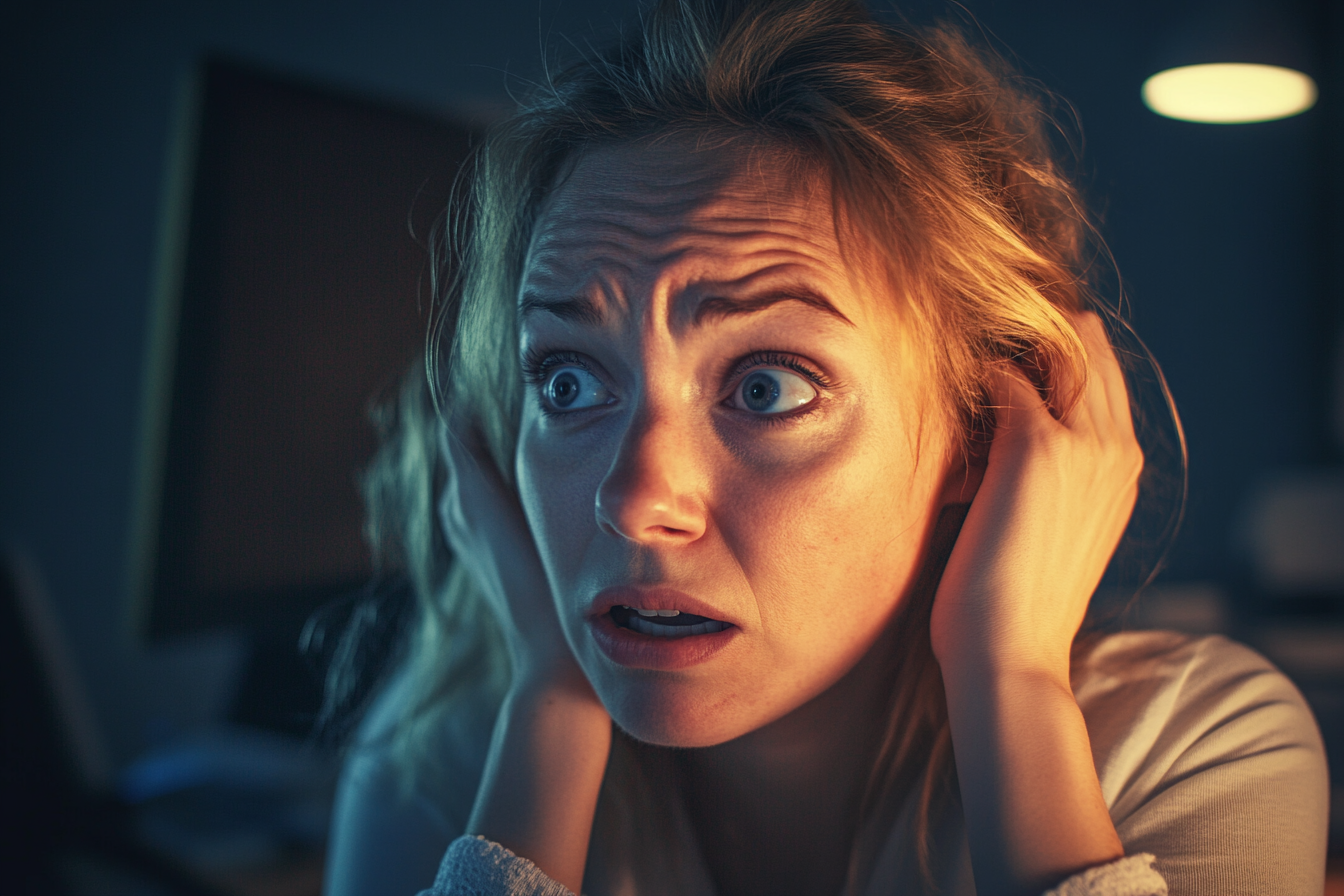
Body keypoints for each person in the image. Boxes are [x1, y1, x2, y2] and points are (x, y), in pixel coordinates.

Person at [323, 1, 1329, 894]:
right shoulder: (440, 756)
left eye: (767, 387)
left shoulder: (1197, 750)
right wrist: (549, 704)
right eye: (569, 382)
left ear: (983, 439)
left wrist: (1009, 679)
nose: (634, 501)